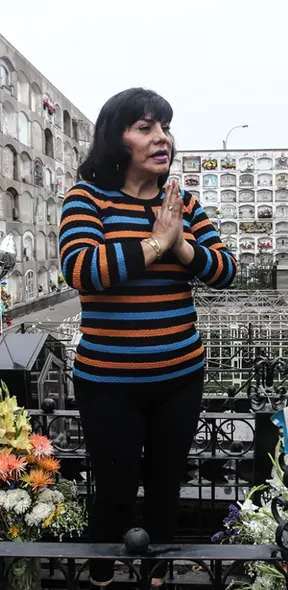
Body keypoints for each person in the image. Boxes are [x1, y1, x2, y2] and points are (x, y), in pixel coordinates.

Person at [58, 88, 237, 586]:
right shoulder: (86, 199)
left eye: (164, 127)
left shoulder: (184, 203)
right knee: (114, 491)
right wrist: (158, 241)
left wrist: (181, 244)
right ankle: (100, 578)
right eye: (145, 127)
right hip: (109, 382)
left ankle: (157, 578)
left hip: (179, 377)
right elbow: (82, 268)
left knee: (165, 489)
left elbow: (225, 270)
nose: (162, 138)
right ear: (116, 139)